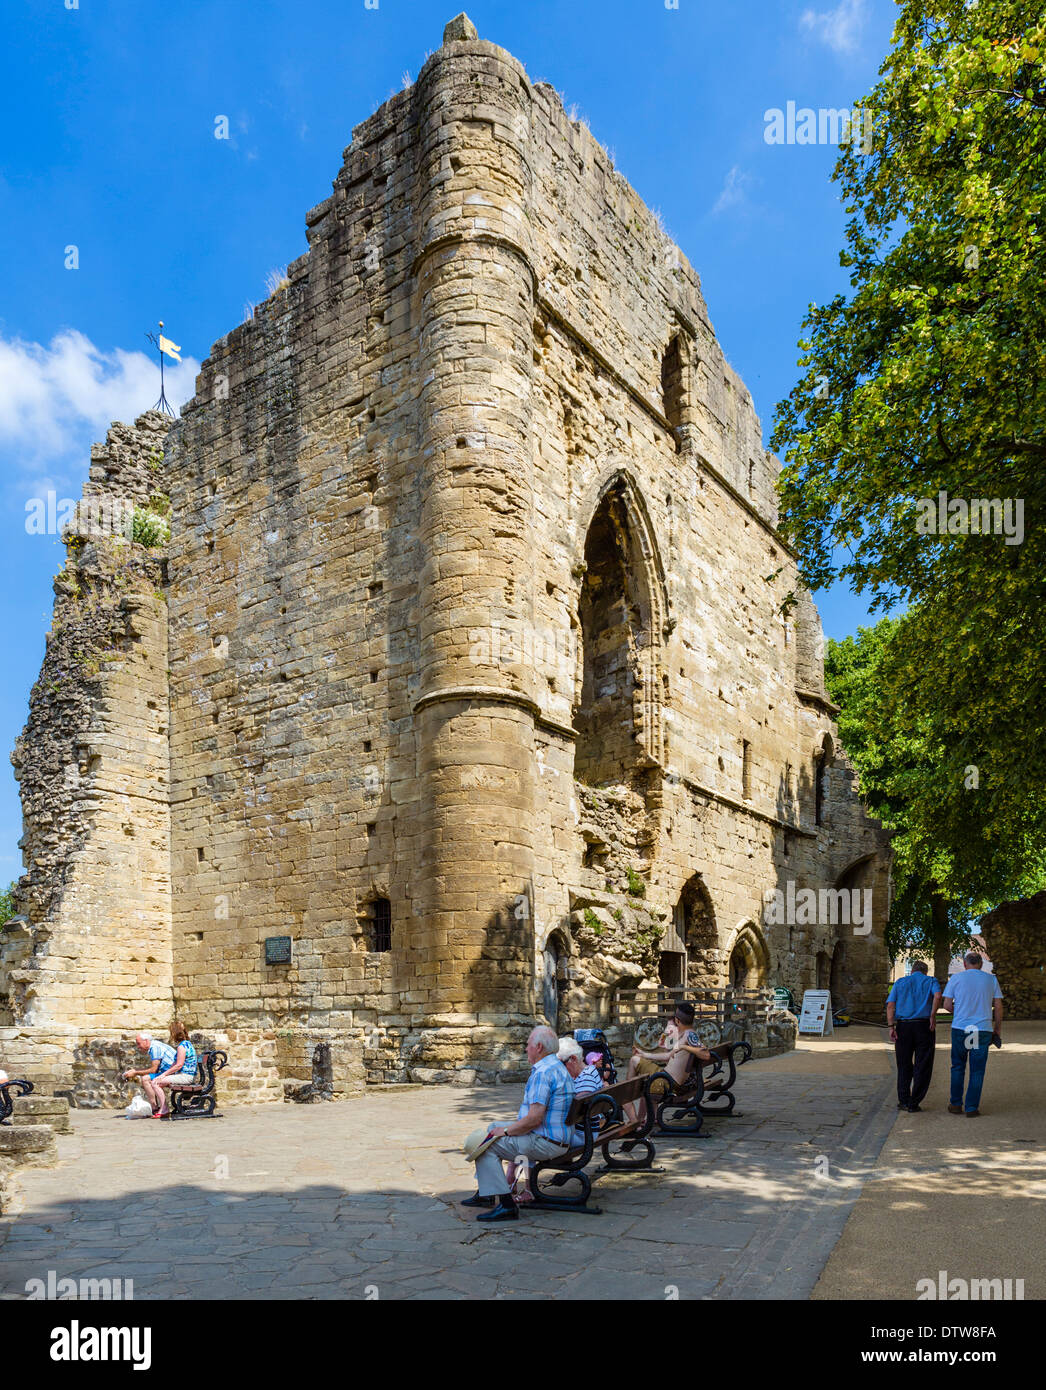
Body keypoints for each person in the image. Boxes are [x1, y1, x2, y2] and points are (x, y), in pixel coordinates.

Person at [462, 1025, 574, 1222]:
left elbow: (533, 1119)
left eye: (528, 1044)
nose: (525, 1048)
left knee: (486, 1147)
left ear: (538, 1047)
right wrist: (501, 1129)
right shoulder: (557, 1067)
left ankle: (506, 1206)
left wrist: (505, 1131)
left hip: (546, 1142)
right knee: (491, 1128)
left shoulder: (543, 1073)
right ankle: (486, 1194)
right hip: (558, 1138)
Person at [623, 1001, 715, 1122]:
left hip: (668, 1081)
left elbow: (706, 1054)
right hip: (666, 1076)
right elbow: (668, 1056)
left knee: (635, 1063)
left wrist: (684, 1047)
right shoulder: (685, 1034)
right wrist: (645, 1054)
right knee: (636, 1060)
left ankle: (629, 1096)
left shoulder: (689, 1035)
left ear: (677, 1020)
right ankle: (637, 1113)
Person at [941, 952, 1003, 1117]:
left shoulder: (955, 979)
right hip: (981, 1028)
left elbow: (947, 1005)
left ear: (965, 964)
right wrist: (997, 1028)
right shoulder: (991, 980)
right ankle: (971, 1107)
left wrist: (960, 1012)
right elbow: (998, 1007)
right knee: (977, 1070)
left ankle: (955, 1104)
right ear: (981, 964)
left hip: (961, 1027)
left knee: (958, 1066)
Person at [886, 961, 942, 1112]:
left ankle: (903, 1100)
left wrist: (891, 1026)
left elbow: (890, 1005)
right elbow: (937, 995)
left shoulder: (900, 982)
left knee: (903, 1064)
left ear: (912, 971)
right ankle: (914, 1102)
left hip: (904, 1026)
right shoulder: (931, 981)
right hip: (924, 1026)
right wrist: (932, 1015)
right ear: (925, 971)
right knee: (923, 1064)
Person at [151, 1021, 199, 1118]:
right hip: (186, 1076)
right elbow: (175, 1064)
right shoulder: (187, 1044)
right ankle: (164, 1108)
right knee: (158, 1081)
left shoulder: (182, 1046)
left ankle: (164, 1109)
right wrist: (164, 1075)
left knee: (155, 1083)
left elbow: (178, 1065)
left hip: (186, 1077)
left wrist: (163, 1075)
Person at [123, 1031, 177, 1115]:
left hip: (174, 1074)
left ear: (146, 1041)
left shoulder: (155, 1048)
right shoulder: (154, 1046)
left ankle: (155, 1108)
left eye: (139, 1043)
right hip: (169, 1073)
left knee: (145, 1079)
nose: (138, 1047)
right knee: (148, 1078)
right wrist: (135, 1071)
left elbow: (153, 1070)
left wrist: (135, 1072)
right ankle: (157, 1107)